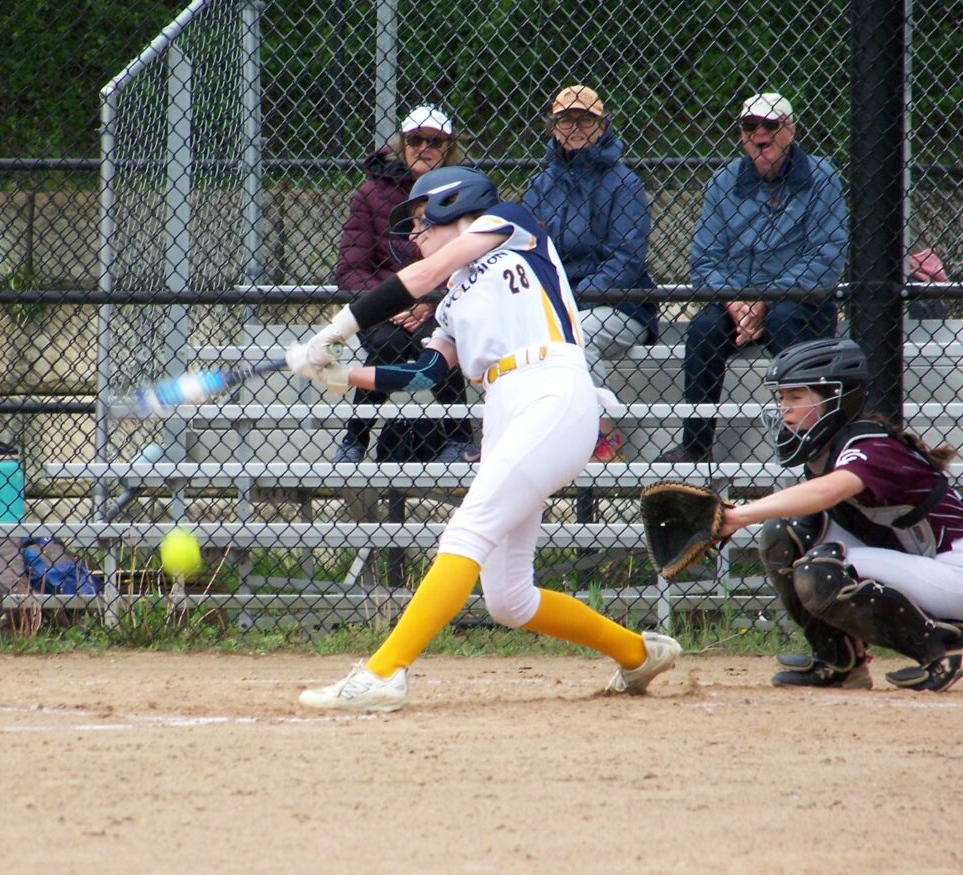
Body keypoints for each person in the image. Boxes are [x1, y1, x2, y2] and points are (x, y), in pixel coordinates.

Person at [285, 165, 681, 711]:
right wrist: (339, 375)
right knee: (509, 597)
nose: (415, 237)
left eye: (423, 221)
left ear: (456, 205)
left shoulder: (511, 225)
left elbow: (425, 274)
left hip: (551, 389)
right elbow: (424, 373)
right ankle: (638, 654)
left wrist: (337, 326)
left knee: (466, 531)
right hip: (503, 407)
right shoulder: (451, 301)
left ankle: (383, 673)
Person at [719, 337, 963, 692]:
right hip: (925, 564)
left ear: (835, 397)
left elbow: (828, 491)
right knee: (785, 534)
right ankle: (840, 662)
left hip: (954, 569)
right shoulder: (830, 449)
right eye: (781, 398)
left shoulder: (871, 446)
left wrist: (738, 515)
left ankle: (941, 651)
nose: (784, 409)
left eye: (796, 397)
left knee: (822, 570)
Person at [658, 92, 849, 463]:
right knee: (701, 329)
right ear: (742, 136)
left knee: (782, 318)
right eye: (750, 126)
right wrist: (735, 303)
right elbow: (704, 259)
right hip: (737, 300)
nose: (760, 133)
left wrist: (766, 299)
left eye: (771, 125)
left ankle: (803, 435)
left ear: (789, 130)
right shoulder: (723, 181)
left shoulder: (822, 178)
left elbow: (826, 258)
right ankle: (696, 444)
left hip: (800, 300)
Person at [332, 103, 476, 464]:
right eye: (415, 139)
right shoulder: (370, 193)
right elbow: (350, 270)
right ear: (402, 142)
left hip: (441, 301)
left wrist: (432, 298)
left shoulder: (463, 193)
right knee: (387, 342)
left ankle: (458, 439)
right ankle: (355, 439)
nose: (424, 147)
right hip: (385, 306)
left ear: (448, 148)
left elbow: (470, 260)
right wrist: (393, 302)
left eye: (435, 141)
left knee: (437, 339)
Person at [523, 85, 657, 462]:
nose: (576, 127)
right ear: (553, 126)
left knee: (577, 335)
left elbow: (626, 260)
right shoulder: (539, 186)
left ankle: (602, 434)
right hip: (558, 303)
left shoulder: (624, 182)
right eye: (567, 119)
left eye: (586, 119)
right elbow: (530, 255)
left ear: (602, 126)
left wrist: (569, 304)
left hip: (619, 305)